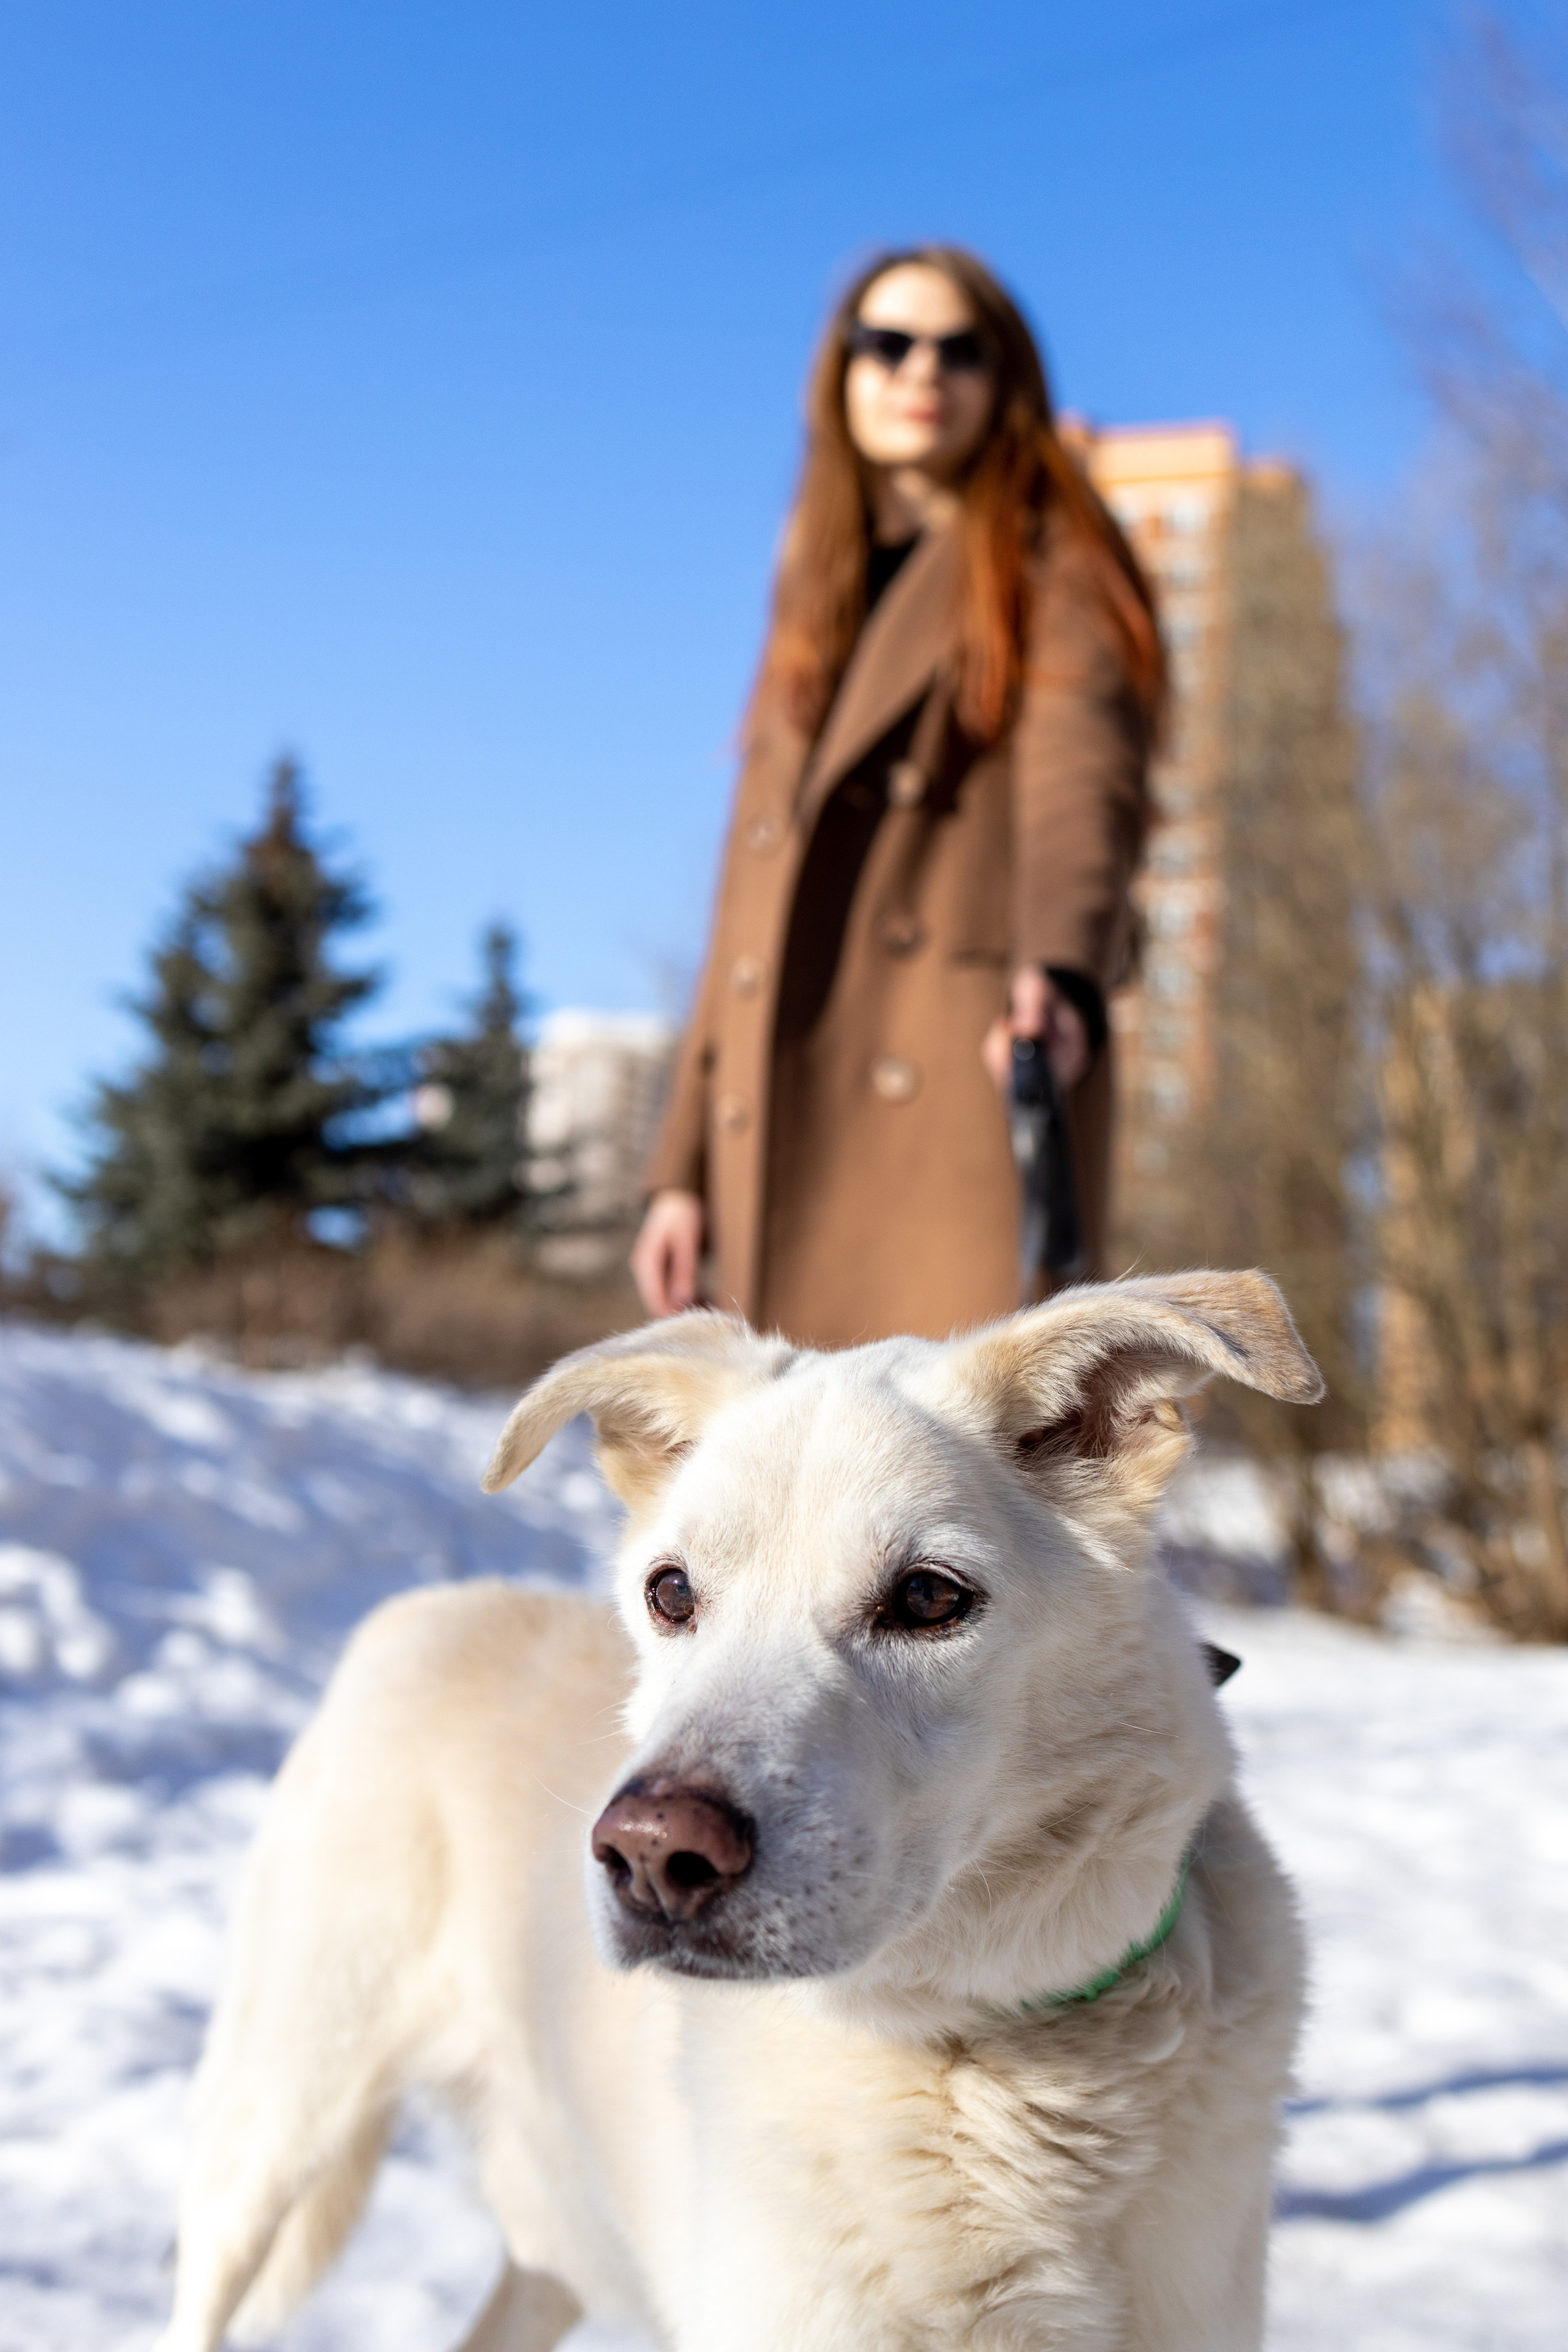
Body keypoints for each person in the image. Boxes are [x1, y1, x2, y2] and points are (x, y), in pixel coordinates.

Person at [632, 245, 1163, 1348]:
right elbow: (747, 907)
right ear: (839, 373)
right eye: (889, 344)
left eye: (960, 351)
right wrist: (678, 1167)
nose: (923, 372)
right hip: (778, 1100)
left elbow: (1087, 775)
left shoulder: (1050, 549)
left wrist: (1061, 964)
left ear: (1003, 380)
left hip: (943, 1073)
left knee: (945, 1457)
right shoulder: (814, 589)